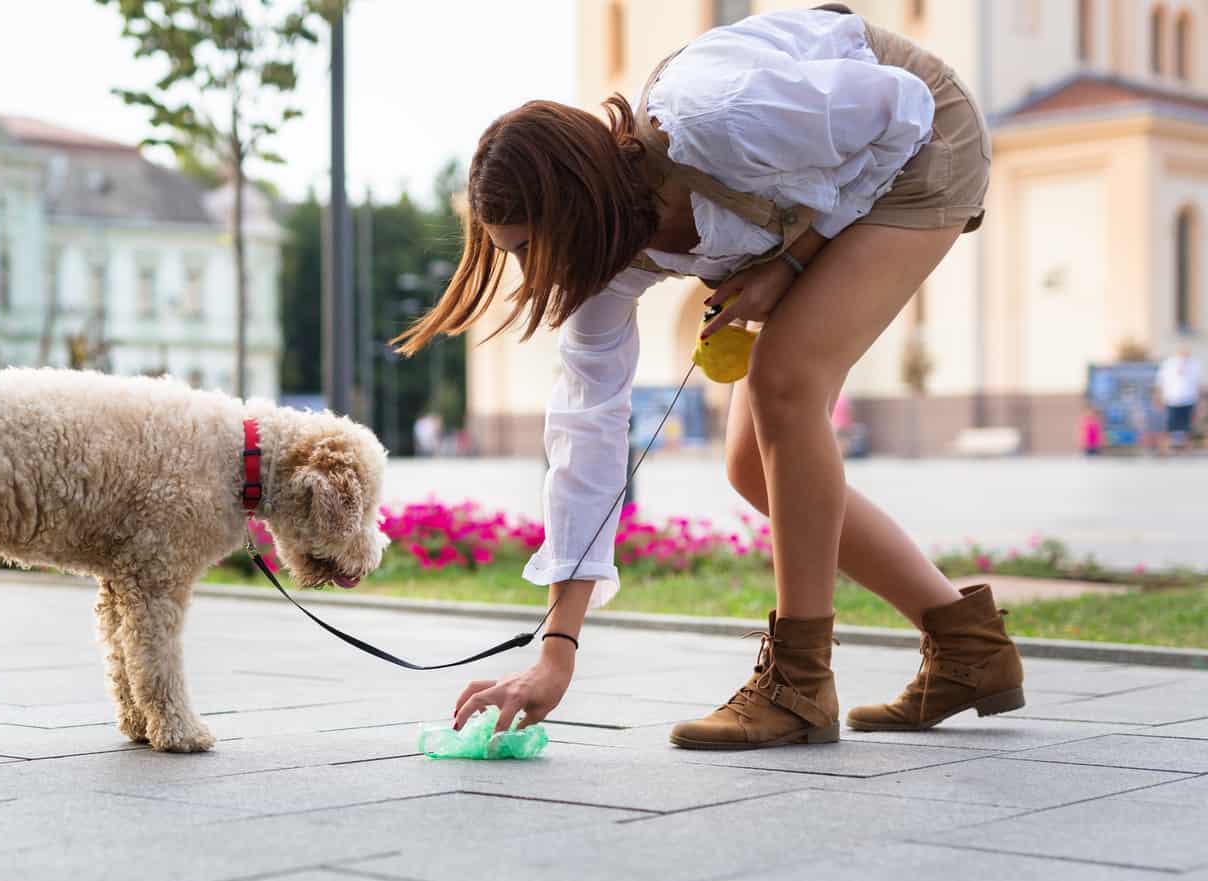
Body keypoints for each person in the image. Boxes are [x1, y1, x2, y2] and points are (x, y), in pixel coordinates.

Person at [396, 5, 1024, 749]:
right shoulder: (606, 261)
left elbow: (903, 110)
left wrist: (790, 261)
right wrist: (555, 654)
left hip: (920, 139)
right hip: (834, 179)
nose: (533, 271)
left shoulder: (718, 116)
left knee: (783, 382)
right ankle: (968, 648)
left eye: (530, 245)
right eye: (513, 254)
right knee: (750, 465)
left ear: (576, 203)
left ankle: (799, 684)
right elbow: (587, 438)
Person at [1157, 348, 1202, 453]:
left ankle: (1187, 448)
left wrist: (1200, 402)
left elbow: (1198, 384)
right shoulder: (1168, 364)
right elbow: (1160, 382)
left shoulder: (1194, 365)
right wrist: (1159, 398)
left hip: (1189, 399)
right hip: (1172, 399)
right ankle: (1165, 447)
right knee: (1170, 424)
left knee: (1188, 425)